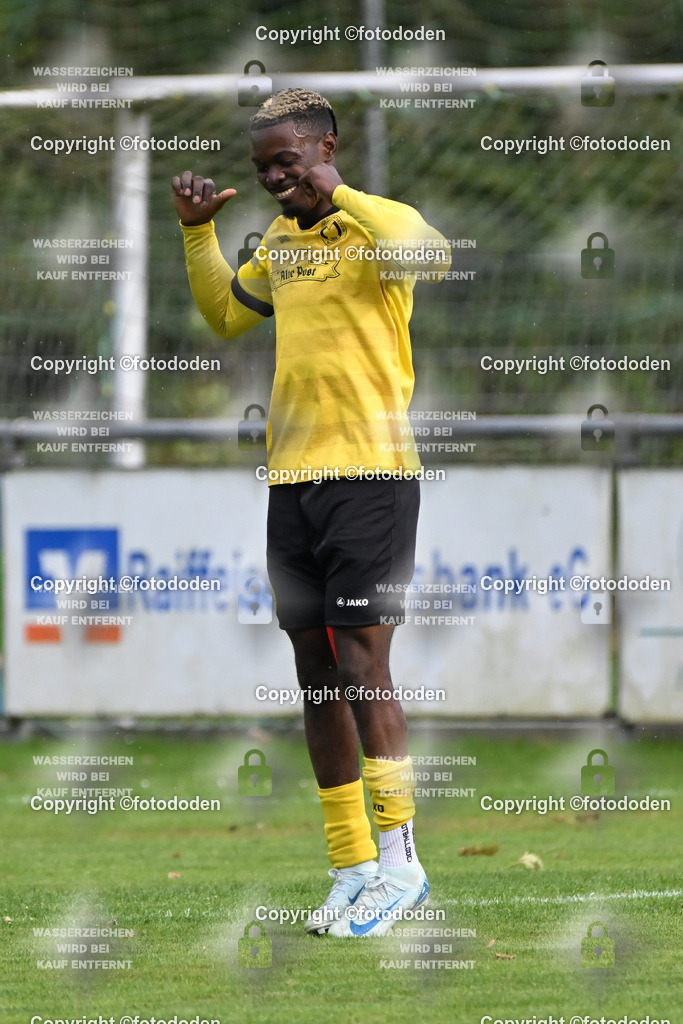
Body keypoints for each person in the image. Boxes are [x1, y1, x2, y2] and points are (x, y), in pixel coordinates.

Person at [172, 88, 450, 937]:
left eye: (287, 161)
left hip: (370, 475)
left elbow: (430, 253)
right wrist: (196, 233)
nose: (273, 179)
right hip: (292, 481)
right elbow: (226, 316)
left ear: (324, 148)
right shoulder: (279, 243)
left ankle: (401, 867)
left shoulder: (373, 226)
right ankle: (351, 865)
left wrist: (340, 192)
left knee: (364, 665)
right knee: (316, 672)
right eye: (262, 168)